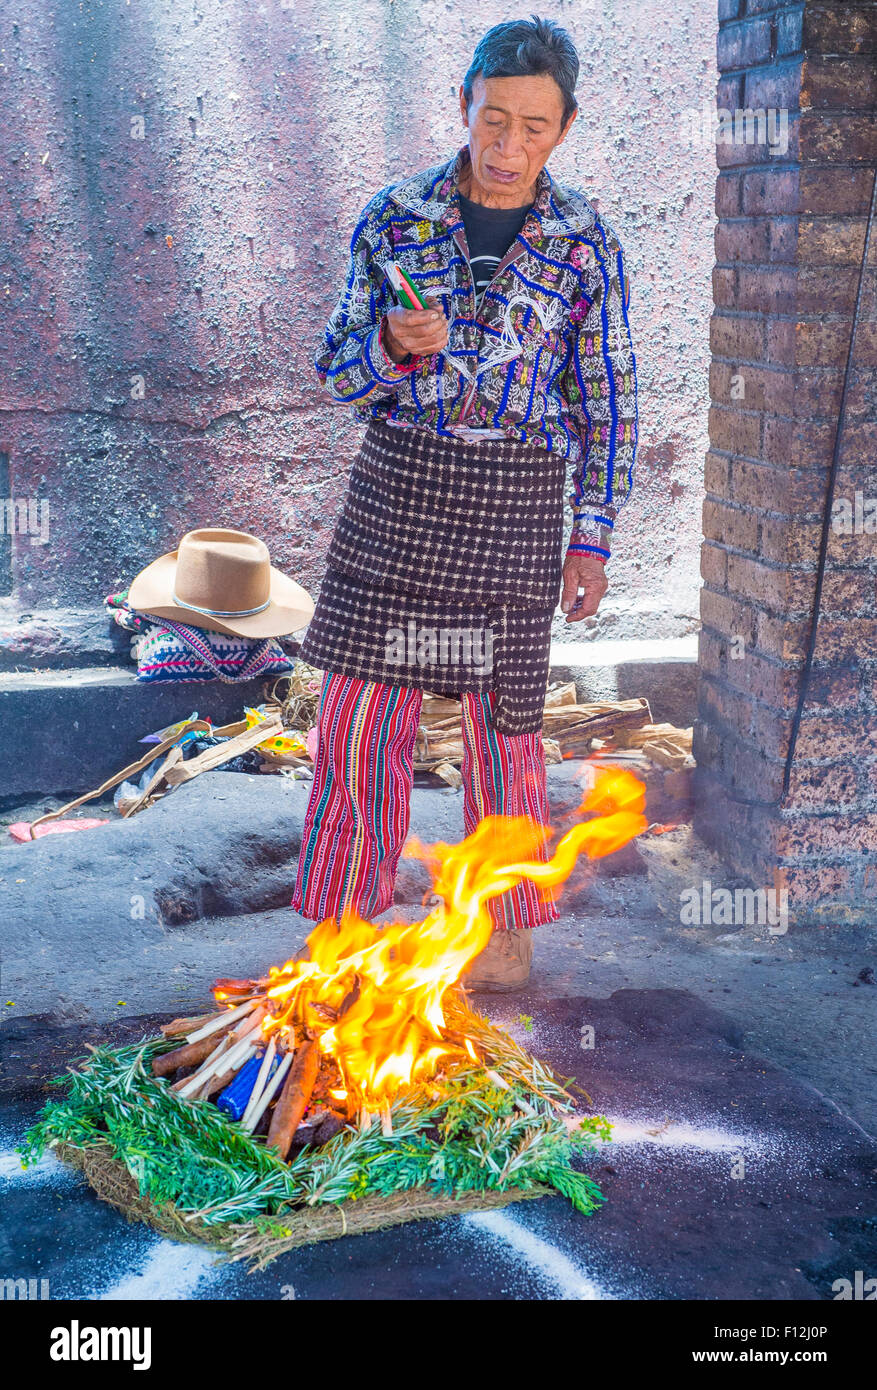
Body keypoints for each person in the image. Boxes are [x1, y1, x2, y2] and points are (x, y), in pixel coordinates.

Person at [292, 15, 638, 990]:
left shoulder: (584, 241)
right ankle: (343, 932)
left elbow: (607, 395)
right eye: (494, 118)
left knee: (507, 732)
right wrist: (395, 349)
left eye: (533, 126)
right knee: (359, 717)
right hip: (400, 489)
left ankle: (502, 938)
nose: (508, 144)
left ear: (562, 129)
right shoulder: (393, 217)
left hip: (518, 501)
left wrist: (593, 538)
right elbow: (340, 373)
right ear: (463, 104)